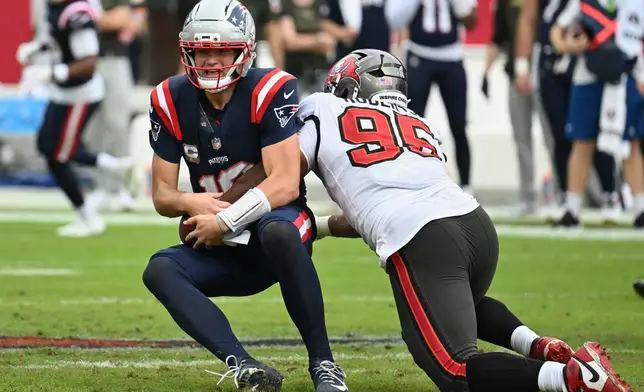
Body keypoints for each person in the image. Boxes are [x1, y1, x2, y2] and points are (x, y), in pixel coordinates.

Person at [221, 48, 633, 392]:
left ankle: (573, 378)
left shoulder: (322, 107)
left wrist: (225, 209)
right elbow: (376, 201)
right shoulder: (417, 123)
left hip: (424, 238)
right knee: (459, 304)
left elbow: (285, 175)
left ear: (345, 85)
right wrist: (323, 228)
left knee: (455, 369)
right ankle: (538, 345)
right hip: (474, 225)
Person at [140, 1, 347, 391]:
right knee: (160, 269)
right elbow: (162, 196)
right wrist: (192, 203)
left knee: (279, 232)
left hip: (277, 230)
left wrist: (225, 218)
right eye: (204, 51)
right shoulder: (169, 98)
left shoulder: (270, 88)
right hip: (225, 246)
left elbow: (285, 183)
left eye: (223, 50)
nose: (213, 61)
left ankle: (324, 365)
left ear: (246, 51)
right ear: (188, 51)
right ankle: (244, 366)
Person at [16, 0, 134, 237]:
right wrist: (37, 49)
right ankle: (114, 166)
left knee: (58, 155)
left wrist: (51, 73)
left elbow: (89, 63)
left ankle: (88, 216)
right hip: (63, 92)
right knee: (48, 145)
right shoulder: (54, 8)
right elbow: (59, 41)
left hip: (80, 94)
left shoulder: (78, 14)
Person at [385, 0, 478, 194]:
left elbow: (472, 22)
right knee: (411, 125)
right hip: (420, 55)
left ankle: (467, 186)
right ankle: (410, 182)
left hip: (451, 57)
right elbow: (393, 19)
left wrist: (460, 7)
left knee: (459, 124)